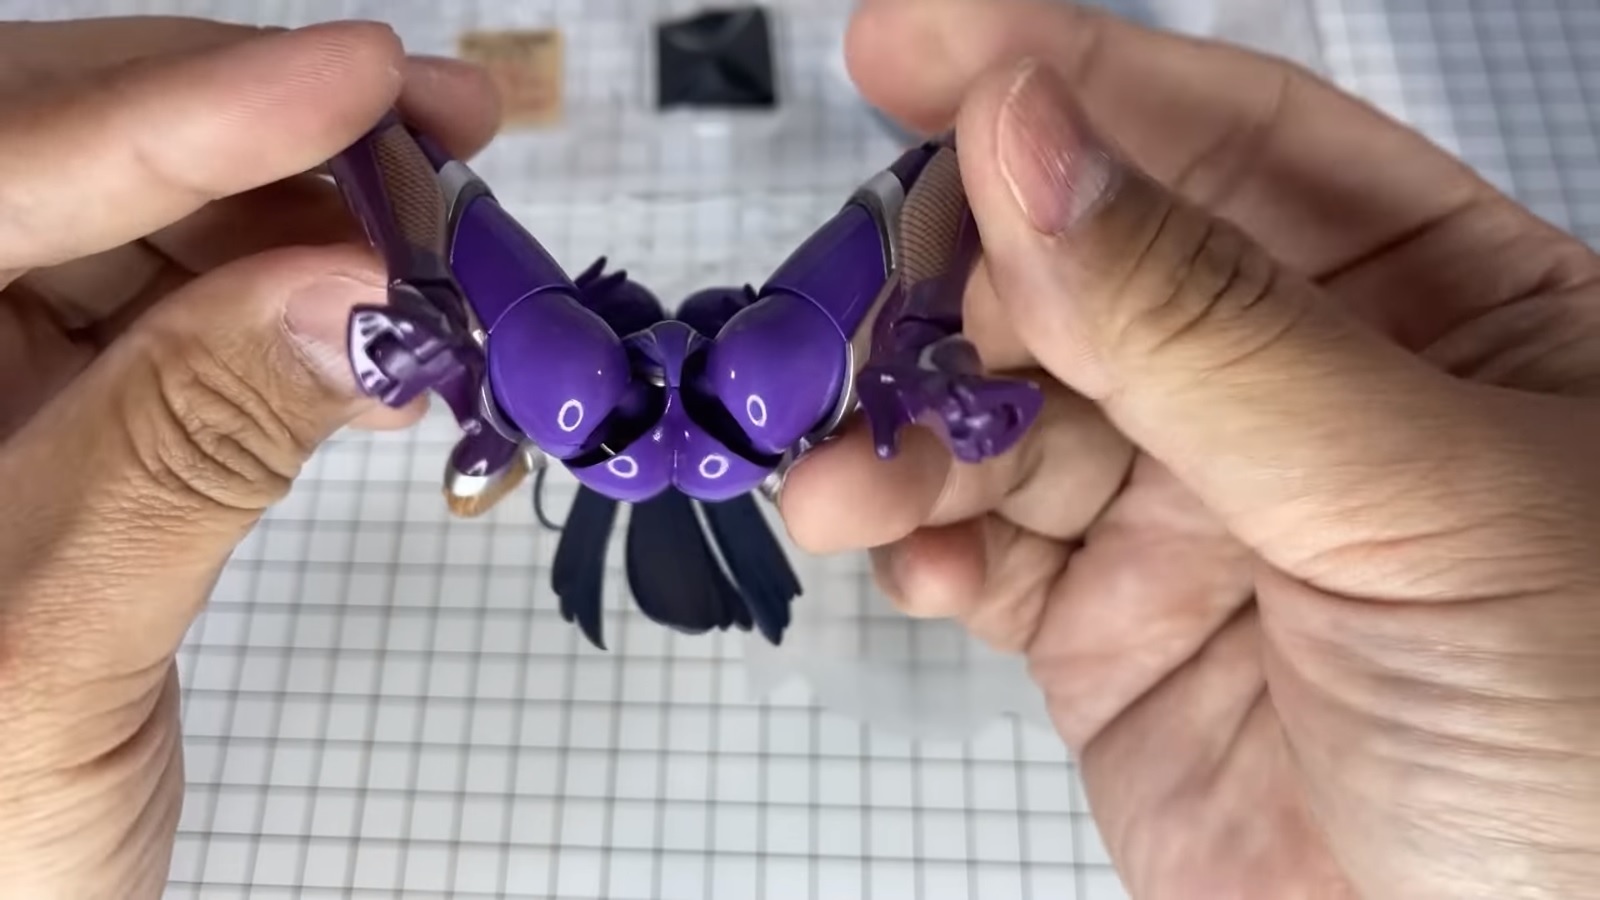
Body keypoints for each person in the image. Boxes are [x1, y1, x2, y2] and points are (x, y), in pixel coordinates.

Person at [0, 0, 1594, 896]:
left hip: (870, 293)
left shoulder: (757, 389)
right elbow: (411, 205)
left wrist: (945, 379)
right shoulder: (594, 390)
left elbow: (923, 262)